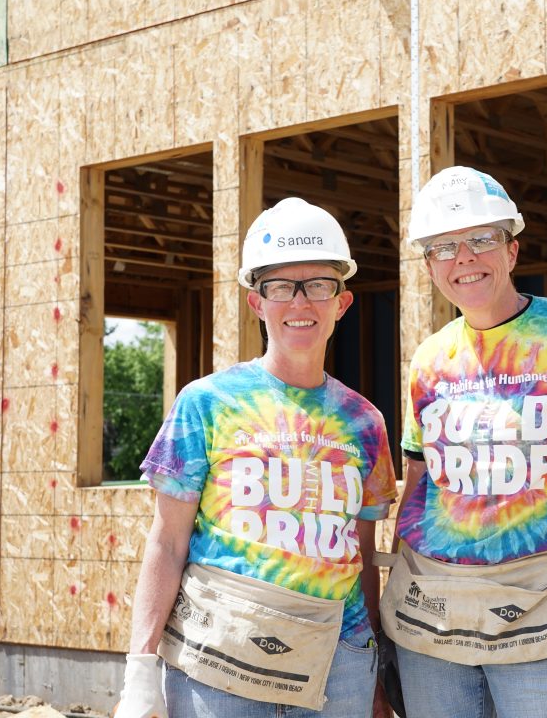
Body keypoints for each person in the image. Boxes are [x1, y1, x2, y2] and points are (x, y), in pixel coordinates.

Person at [378, 166, 547, 717]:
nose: (465, 258)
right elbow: (418, 489)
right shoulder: (430, 360)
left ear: (512, 251)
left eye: (482, 239)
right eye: (444, 247)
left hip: (539, 607)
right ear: (429, 266)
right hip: (433, 612)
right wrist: (392, 619)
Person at [114, 197, 397, 718]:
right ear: (256, 302)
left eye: (318, 285)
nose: (300, 303)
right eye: (281, 287)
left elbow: (361, 558)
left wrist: (376, 669)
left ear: (343, 302)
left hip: (339, 667)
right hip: (220, 661)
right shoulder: (207, 403)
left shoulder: (365, 423)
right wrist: (140, 671)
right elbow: (168, 541)